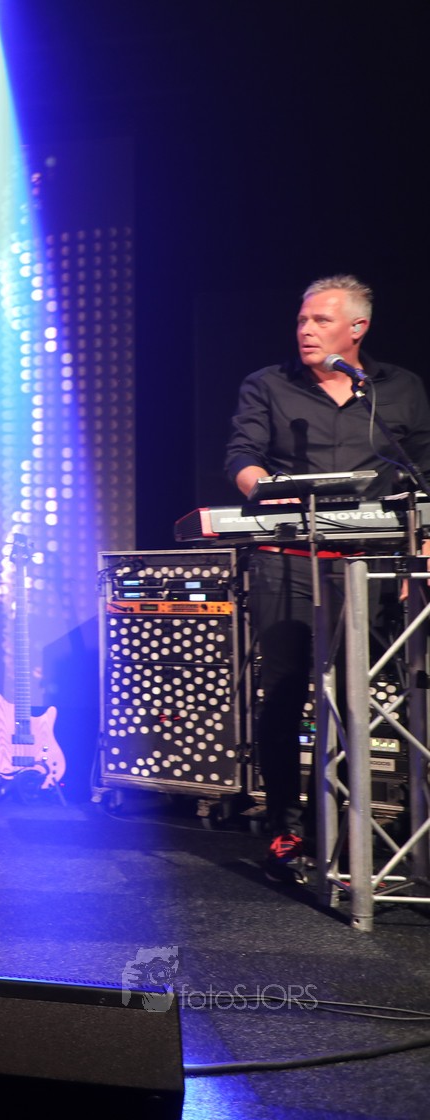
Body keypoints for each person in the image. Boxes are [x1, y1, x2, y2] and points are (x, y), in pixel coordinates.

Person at [224, 274, 430, 882]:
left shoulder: (399, 389)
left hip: (371, 565)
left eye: (321, 320)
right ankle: (284, 829)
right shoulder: (268, 384)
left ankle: (346, 828)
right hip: (288, 561)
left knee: (360, 697)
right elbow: (241, 456)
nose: (306, 330)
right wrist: (264, 490)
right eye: (302, 320)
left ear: (357, 328)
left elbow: (424, 468)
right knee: (286, 691)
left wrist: (422, 543)